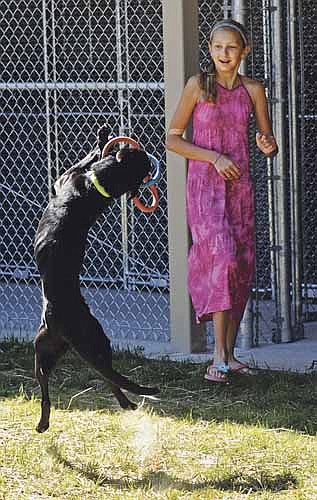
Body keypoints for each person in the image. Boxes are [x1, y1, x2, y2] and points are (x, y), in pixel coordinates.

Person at [166, 19, 278, 383]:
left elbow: (268, 140)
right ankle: (217, 357)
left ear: (244, 51)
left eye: (231, 48)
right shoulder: (198, 86)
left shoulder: (253, 90)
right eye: (217, 47)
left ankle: (230, 355)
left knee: (240, 268)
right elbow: (173, 138)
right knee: (222, 257)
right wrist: (212, 157)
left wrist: (268, 146)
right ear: (210, 49)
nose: (223, 54)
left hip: (239, 188)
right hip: (204, 188)